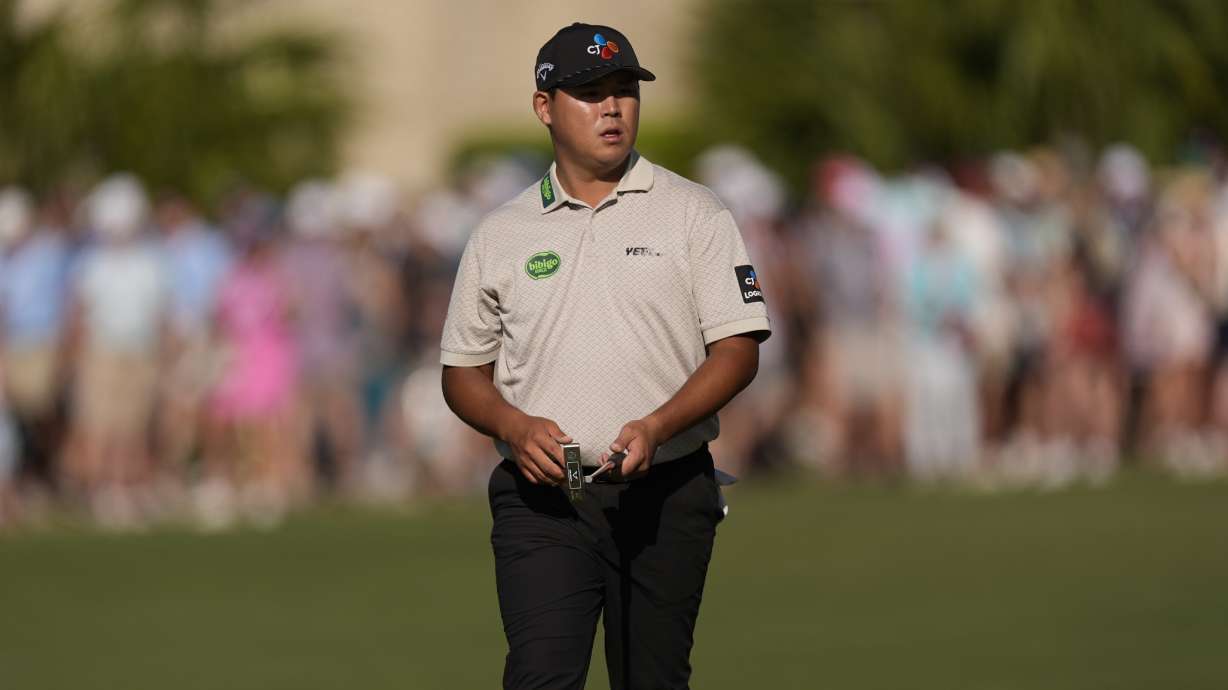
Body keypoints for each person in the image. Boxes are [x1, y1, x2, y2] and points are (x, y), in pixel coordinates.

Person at [439, 23, 770, 690]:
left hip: (667, 491)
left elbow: (737, 349)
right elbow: (461, 372)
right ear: (545, 106)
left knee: (651, 679)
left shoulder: (694, 213)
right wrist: (512, 425)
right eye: (590, 93)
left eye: (624, 91)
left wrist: (657, 426)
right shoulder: (501, 232)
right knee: (539, 676)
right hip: (543, 501)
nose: (612, 108)